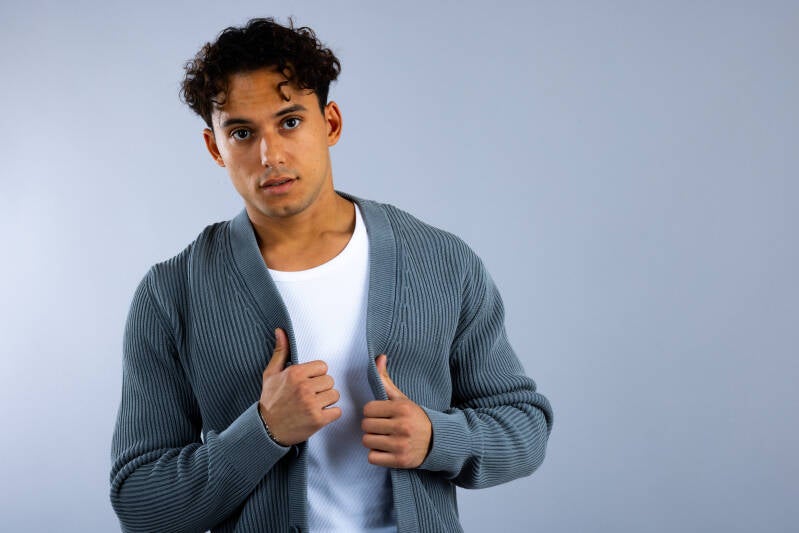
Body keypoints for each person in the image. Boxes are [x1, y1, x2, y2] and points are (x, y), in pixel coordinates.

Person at [109, 17, 553, 533]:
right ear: (215, 148)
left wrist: (437, 439)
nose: (270, 155)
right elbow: (139, 501)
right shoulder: (171, 294)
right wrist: (263, 432)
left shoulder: (441, 261)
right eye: (242, 133)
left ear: (331, 123)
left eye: (290, 122)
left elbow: (525, 427)